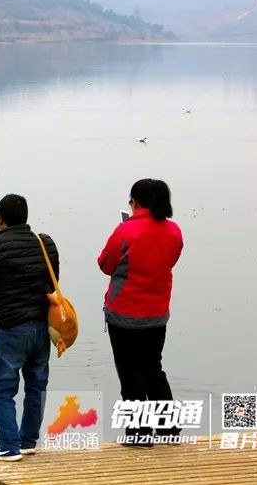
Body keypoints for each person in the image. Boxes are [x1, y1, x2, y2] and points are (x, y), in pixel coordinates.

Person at [0, 194, 59, 461]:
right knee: (36, 386)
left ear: (0, 220)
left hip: (10, 328)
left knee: (2, 389)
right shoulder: (45, 244)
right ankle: (28, 440)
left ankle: (9, 445)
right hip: (41, 327)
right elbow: (52, 283)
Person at [97, 179, 183, 448]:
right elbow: (170, 259)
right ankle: (168, 428)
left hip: (123, 313)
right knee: (153, 369)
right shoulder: (174, 231)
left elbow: (105, 264)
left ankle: (140, 434)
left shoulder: (126, 231)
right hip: (157, 314)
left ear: (136, 202)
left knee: (130, 374)